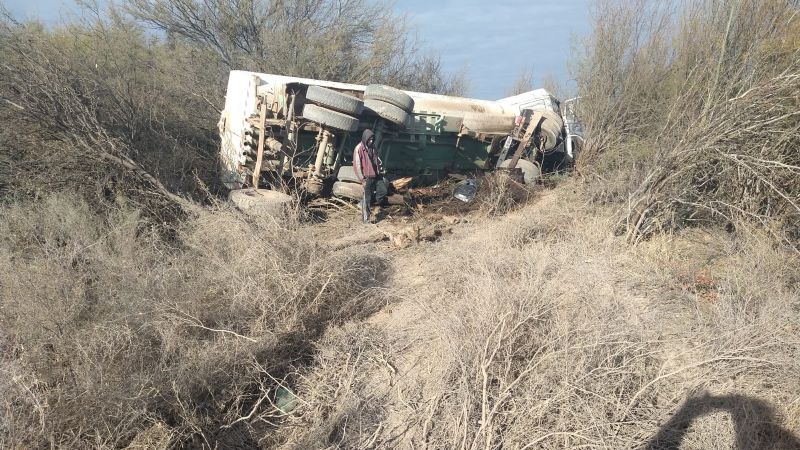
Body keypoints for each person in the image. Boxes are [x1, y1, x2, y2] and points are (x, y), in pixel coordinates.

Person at [353, 129, 388, 223]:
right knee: (367, 198)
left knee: (383, 191)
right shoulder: (359, 148)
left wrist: (380, 169)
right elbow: (357, 165)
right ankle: (366, 219)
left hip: (376, 175)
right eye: (369, 139)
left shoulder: (373, 147)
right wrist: (362, 180)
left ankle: (366, 203)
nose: (371, 141)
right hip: (366, 177)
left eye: (372, 139)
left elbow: (377, 159)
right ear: (365, 138)